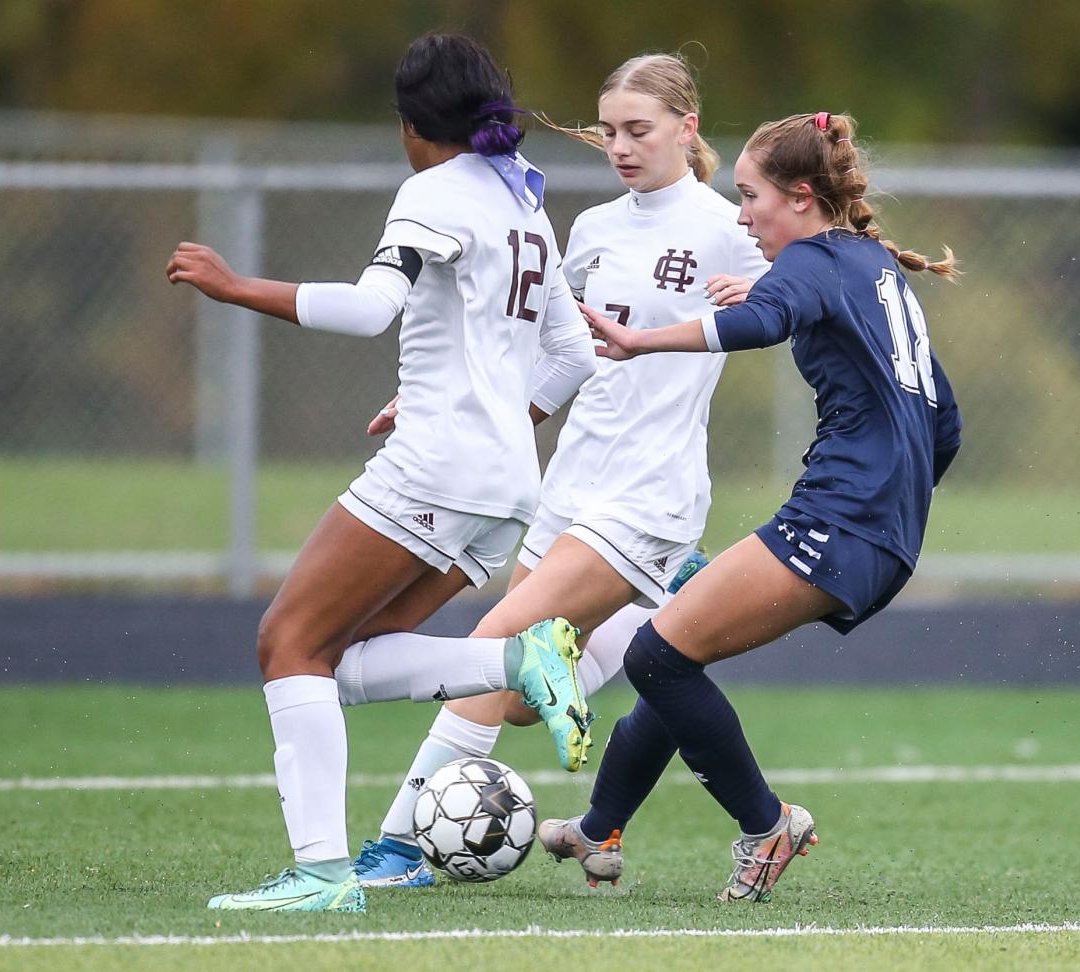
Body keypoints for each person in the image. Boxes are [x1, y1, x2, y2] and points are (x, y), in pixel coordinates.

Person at [165, 33, 597, 913]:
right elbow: (573, 356)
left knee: (286, 643)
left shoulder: (432, 190)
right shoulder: (523, 201)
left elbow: (368, 311)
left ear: (410, 126)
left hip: (435, 469)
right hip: (506, 484)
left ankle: (323, 876)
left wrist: (234, 285)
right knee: (335, 659)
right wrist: (495, 421)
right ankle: (517, 662)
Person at [348, 52, 770, 889]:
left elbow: (803, 304)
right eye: (608, 130)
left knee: (491, 650)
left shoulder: (731, 230)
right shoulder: (595, 229)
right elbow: (558, 355)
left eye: (638, 130)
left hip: (649, 493)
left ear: (688, 129)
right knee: (507, 693)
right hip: (568, 487)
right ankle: (663, 592)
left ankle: (398, 849)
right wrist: (453, 407)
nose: (619, 145)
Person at [542, 111, 963, 902]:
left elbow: (761, 321)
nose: (741, 216)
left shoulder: (810, 260)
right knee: (679, 640)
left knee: (657, 656)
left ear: (801, 197)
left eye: (750, 196)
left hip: (842, 522)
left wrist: (643, 340)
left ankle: (766, 825)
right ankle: (599, 827)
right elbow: (945, 422)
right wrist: (893, 508)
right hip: (870, 529)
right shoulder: (870, 264)